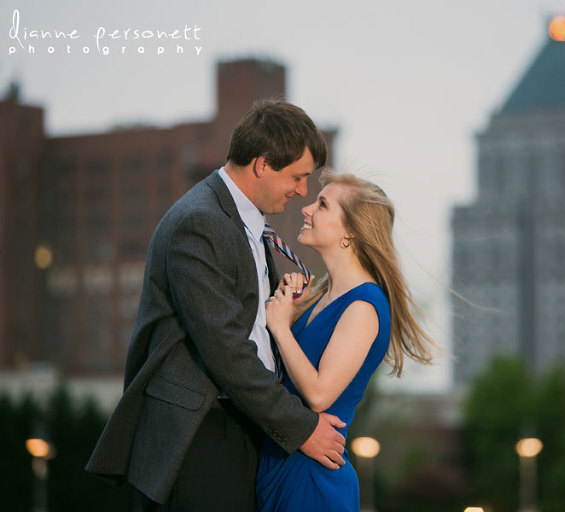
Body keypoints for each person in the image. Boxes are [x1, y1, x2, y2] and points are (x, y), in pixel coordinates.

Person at [86, 100, 347, 512]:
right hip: (200, 434)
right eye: (297, 177)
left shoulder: (246, 222)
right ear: (262, 164)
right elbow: (226, 348)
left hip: (242, 424)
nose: (302, 191)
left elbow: (250, 330)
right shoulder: (199, 222)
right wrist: (302, 429)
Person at [256, 170, 437, 511]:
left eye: (322, 205)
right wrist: (290, 309)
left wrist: (280, 327)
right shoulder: (322, 295)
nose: (307, 209)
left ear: (351, 232)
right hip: (281, 465)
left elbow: (320, 394)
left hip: (312, 478)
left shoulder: (364, 305)